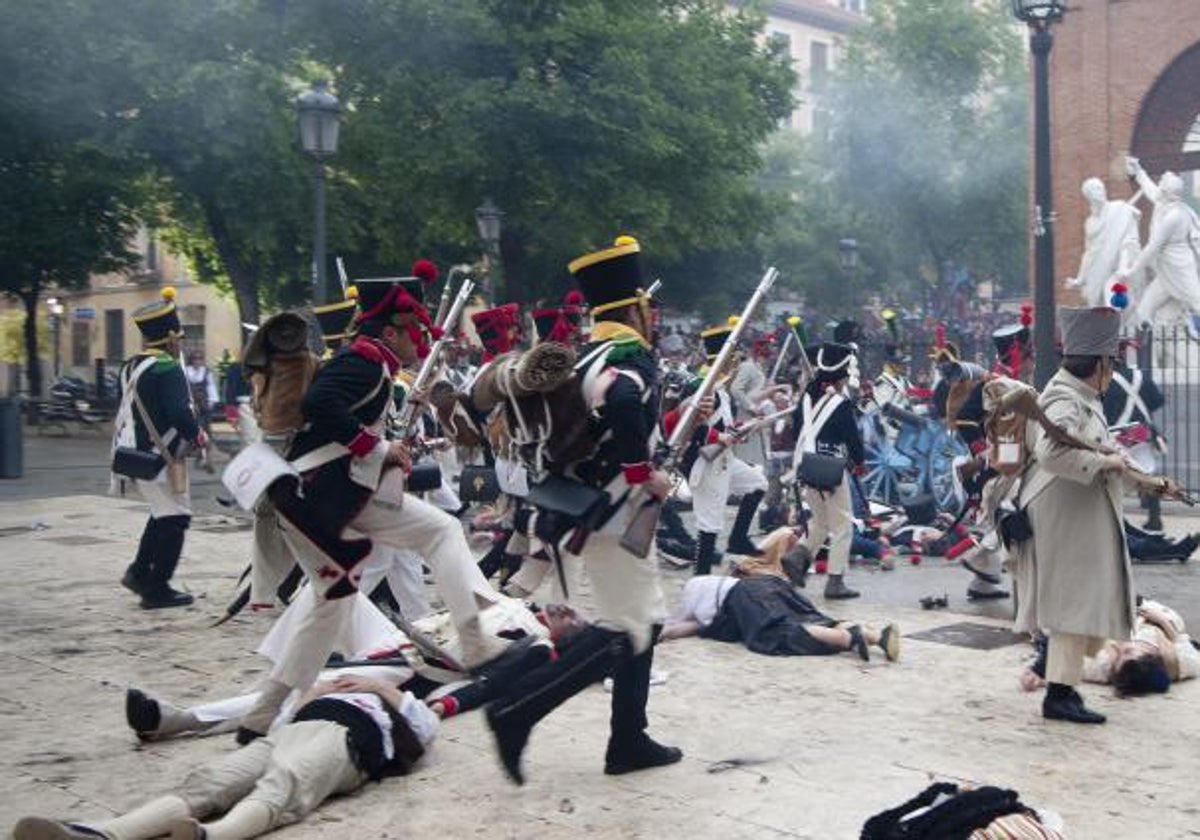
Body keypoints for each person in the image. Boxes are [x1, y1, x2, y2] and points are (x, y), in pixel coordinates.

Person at [235, 264, 524, 742]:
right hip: (325, 498)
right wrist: (377, 448)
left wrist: (388, 439)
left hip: (317, 500)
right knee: (442, 531)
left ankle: (259, 718)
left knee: (331, 605)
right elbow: (320, 406)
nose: (420, 338)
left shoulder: (371, 361)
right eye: (414, 329)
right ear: (391, 330)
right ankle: (474, 643)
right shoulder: (364, 360)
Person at [485, 235, 682, 784]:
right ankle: (516, 710)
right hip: (617, 506)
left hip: (588, 505)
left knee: (649, 618)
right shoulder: (627, 358)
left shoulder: (588, 354)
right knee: (627, 628)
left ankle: (628, 739)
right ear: (637, 307)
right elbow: (623, 405)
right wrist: (646, 473)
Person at [12, 673, 438, 840]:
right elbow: (275, 723)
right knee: (211, 781)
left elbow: (424, 731)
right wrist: (312, 694)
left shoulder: (395, 706)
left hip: (344, 741)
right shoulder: (320, 691)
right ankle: (101, 834)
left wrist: (380, 688)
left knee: (284, 781)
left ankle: (210, 837)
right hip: (293, 730)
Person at [1011, 306, 1140, 725]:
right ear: (1099, 363)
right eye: (1112, 361)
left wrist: (1115, 461)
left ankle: (1057, 678)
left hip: (1077, 517)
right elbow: (1052, 453)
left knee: (1083, 605)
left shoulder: (1079, 397)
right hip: (1062, 518)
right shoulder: (1064, 397)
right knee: (1072, 606)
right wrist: (1105, 464)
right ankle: (1060, 696)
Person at [662, 528, 900, 661]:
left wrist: (645, 637)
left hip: (749, 593)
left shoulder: (702, 599)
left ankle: (849, 639)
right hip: (772, 586)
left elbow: (676, 628)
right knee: (813, 618)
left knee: (779, 631)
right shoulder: (739, 574)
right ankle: (878, 636)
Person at [113, 287, 204, 609]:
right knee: (176, 519)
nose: (180, 341)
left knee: (161, 514)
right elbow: (180, 412)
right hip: (161, 456)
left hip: (136, 454)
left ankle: (139, 572)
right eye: (177, 336)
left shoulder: (131, 365)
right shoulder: (167, 367)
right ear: (169, 337)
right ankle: (156, 587)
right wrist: (198, 435)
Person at [665, 322, 769, 571]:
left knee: (757, 484)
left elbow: (724, 427)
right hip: (705, 462)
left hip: (725, 460)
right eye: (733, 360)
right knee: (709, 525)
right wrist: (718, 437)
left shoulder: (720, 390)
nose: (736, 365)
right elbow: (685, 425)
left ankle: (738, 539)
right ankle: (701, 578)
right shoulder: (701, 387)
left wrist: (740, 431)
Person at [792, 342, 865, 599]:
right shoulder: (841, 403)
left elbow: (795, 429)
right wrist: (860, 461)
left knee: (821, 522)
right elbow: (852, 438)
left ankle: (798, 555)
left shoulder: (807, 395)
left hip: (807, 465)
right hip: (832, 468)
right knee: (843, 524)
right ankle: (835, 581)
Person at [1020, 599, 1200, 695]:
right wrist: (1159, 619)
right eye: (1128, 652)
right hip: (1152, 615)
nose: (1121, 650)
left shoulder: (1102, 667)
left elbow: (1066, 667)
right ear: (1154, 654)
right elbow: (1181, 640)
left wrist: (1039, 677)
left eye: (1119, 658)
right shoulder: (1181, 663)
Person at [1124, 157, 1200, 334]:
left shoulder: (1174, 216)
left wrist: (1132, 270)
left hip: (1180, 269)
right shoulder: (1163, 202)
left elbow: (1153, 247)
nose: (1159, 185)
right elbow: (1150, 189)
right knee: (1143, 311)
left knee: (1197, 302)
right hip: (1166, 272)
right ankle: (1143, 354)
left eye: (1162, 183)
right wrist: (1138, 171)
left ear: (1166, 191)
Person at [1065, 176, 1144, 313]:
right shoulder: (1090, 223)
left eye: (1101, 188)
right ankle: (1110, 329)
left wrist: (1123, 266)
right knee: (1095, 299)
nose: (1100, 191)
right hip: (1099, 269)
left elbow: (1129, 241)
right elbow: (1089, 253)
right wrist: (1080, 279)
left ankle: (1117, 326)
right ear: (1088, 195)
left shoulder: (1119, 208)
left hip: (1119, 269)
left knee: (1113, 297)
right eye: (1095, 189)